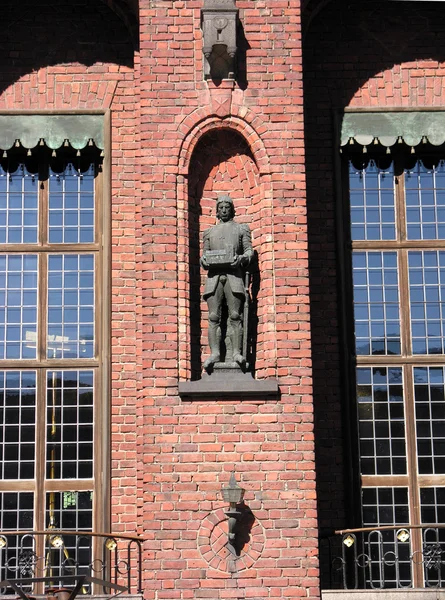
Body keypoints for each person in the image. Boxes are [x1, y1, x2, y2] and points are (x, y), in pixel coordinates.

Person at [200, 195, 253, 370]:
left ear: (232, 209)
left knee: (235, 316)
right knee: (213, 317)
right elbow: (204, 255)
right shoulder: (209, 232)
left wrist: (241, 259)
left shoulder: (241, 229)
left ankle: (236, 352)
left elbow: (249, 252)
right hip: (214, 278)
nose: (224, 210)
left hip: (234, 276)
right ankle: (215, 353)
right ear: (217, 210)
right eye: (221, 207)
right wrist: (204, 261)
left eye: (227, 207)